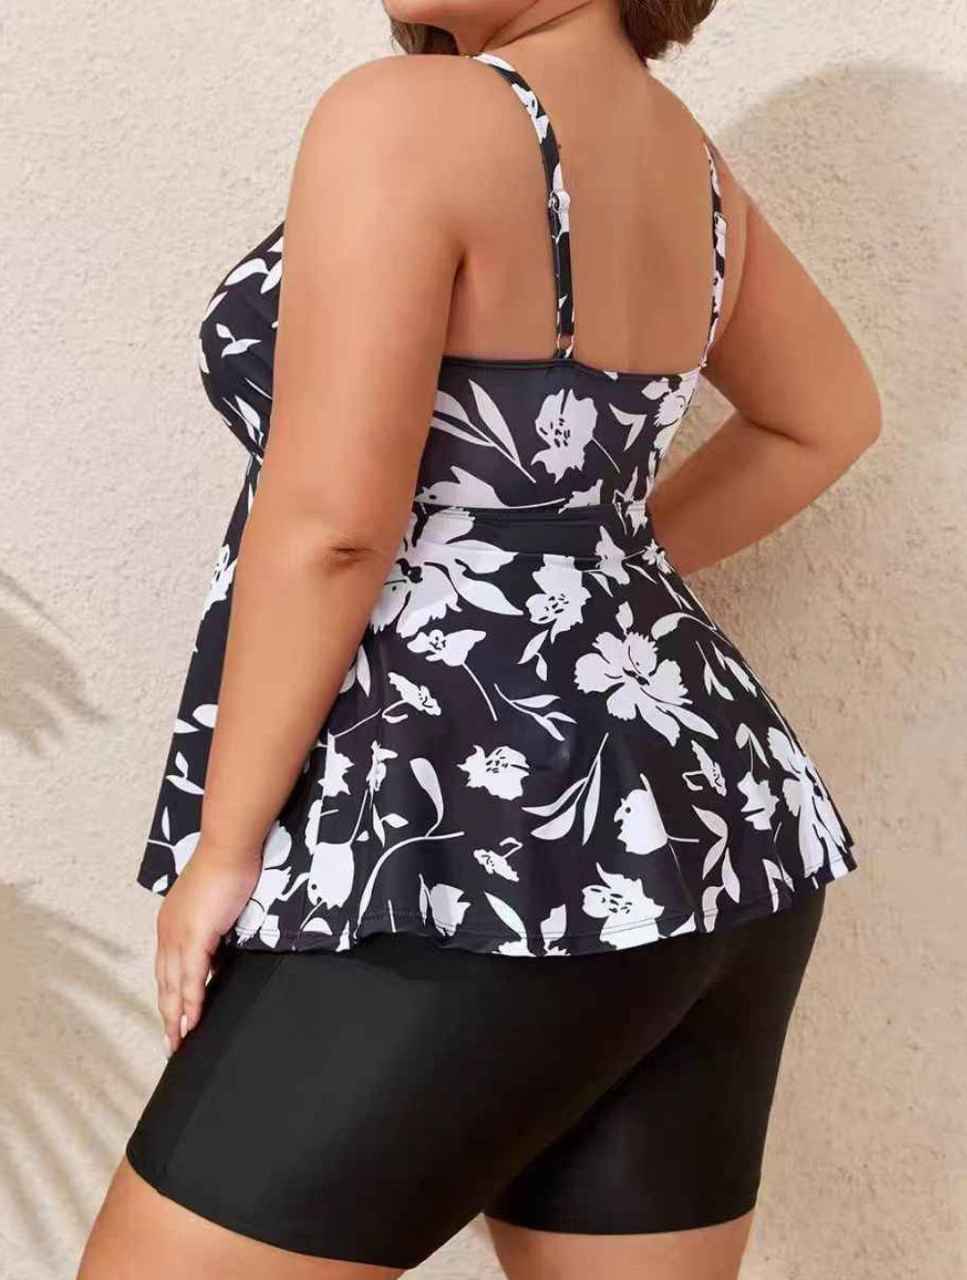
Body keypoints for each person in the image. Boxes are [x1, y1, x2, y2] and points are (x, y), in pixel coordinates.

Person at [77, 1, 880, 1277]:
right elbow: (826, 417)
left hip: (472, 841)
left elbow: (335, 528)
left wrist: (222, 852)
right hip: (723, 840)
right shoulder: (690, 165)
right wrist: (575, 574)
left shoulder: (410, 116)